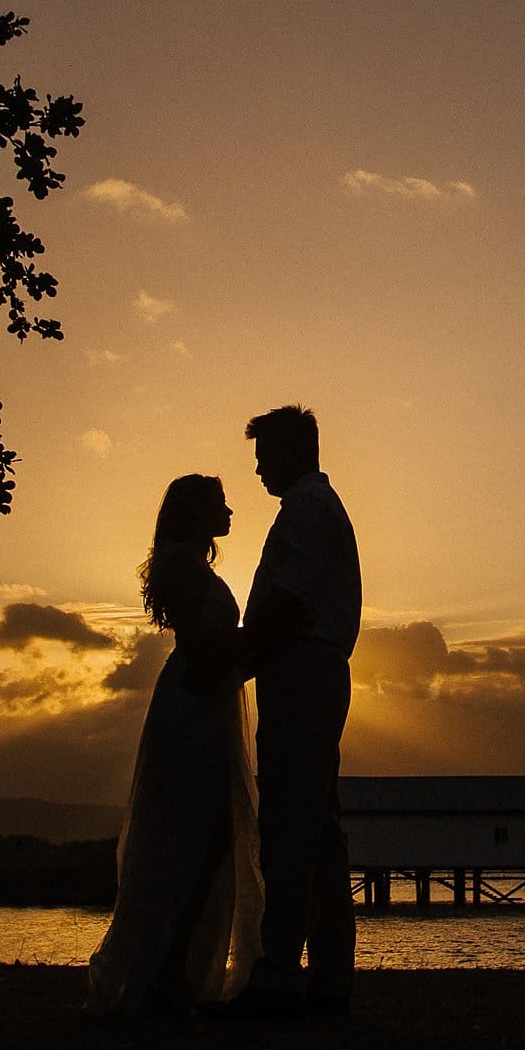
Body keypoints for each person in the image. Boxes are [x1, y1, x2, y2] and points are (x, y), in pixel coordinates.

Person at [84, 475, 261, 1016]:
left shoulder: (190, 564)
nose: (229, 510)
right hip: (193, 703)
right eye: (218, 503)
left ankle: (172, 969)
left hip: (203, 699)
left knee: (206, 835)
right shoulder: (182, 564)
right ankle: (162, 973)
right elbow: (204, 646)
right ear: (195, 511)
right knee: (192, 834)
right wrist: (262, 640)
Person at [229, 405, 361, 1018]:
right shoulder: (312, 507)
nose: (256, 470)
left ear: (290, 450)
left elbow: (287, 599)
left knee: (289, 822)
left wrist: (238, 657)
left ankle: (280, 972)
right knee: (317, 830)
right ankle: (329, 977)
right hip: (311, 669)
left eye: (263, 456)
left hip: (303, 670)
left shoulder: (307, 510)